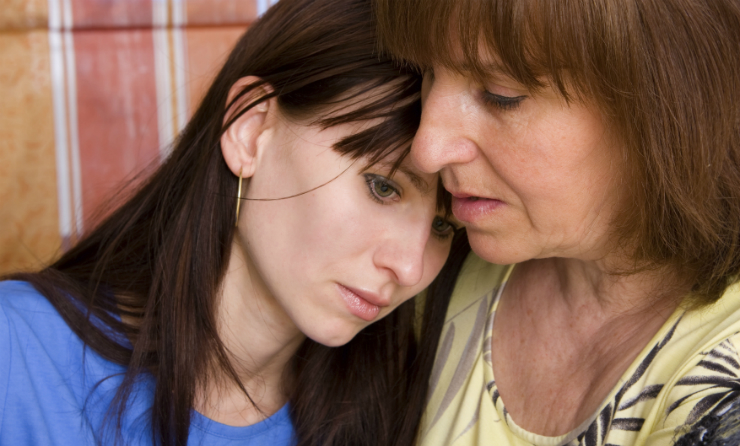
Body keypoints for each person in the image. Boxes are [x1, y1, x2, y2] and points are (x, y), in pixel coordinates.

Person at [0, 0, 460, 444]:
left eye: (444, 227)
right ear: (252, 130)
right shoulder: (16, 354)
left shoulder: (405, 416)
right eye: (382, 186)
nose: (410, 267)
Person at [373, 0, 740, 445]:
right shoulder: (423, 256)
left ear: (669, 108)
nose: (426, 150)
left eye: (501, 94)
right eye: (426, 73)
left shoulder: (722, 388)